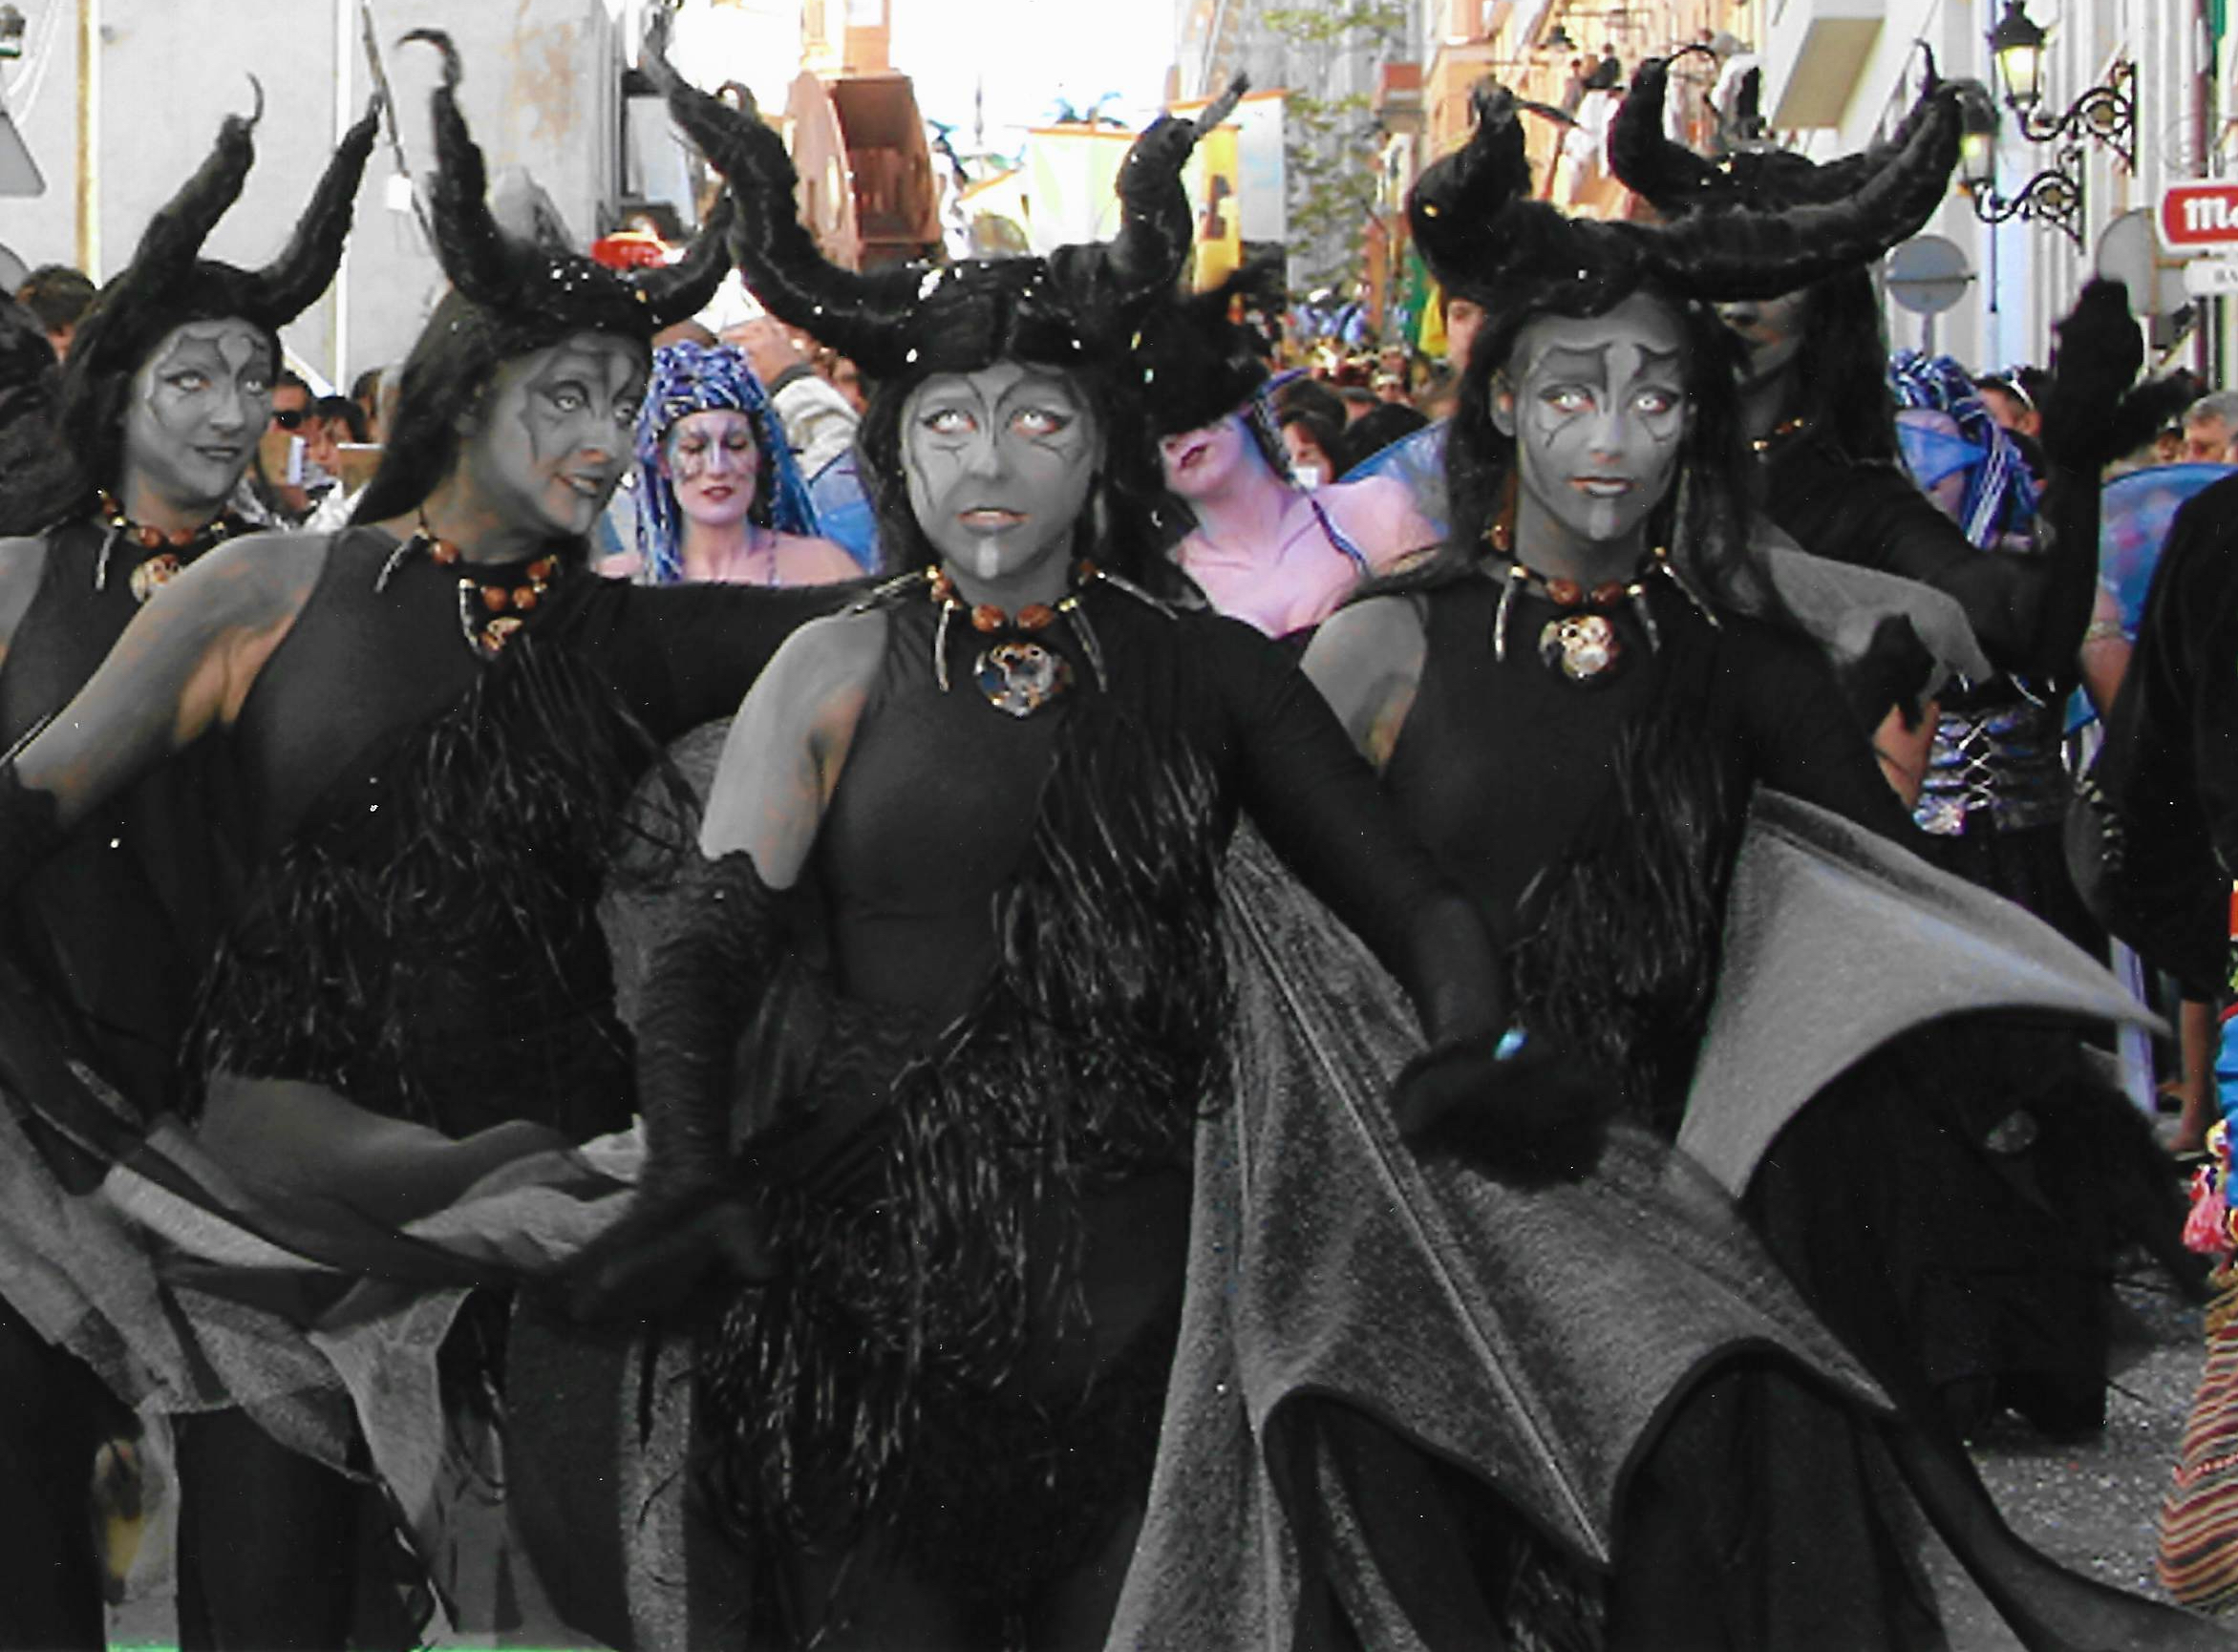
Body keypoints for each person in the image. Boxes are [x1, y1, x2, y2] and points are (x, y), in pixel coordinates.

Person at [1304, 83, 2225, 1652]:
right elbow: (1279, 920)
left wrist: (2033, 1097)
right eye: (1569, 388)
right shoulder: (1385, 643)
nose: (1610, 433)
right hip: (1441, 1219)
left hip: (1692, 1196)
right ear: (1503, 403)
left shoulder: (1735, 657)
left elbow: (1887, 878)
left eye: (1654, 395)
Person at [0, 32, 846, 1640]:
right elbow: (30, 810)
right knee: (265, 1611)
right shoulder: (268, 588)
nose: (607, 438)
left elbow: (889, 632)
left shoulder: (629, 635)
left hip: (555, 1227)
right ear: (465, 391)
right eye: (568, 394)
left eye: (627, 401)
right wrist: (72, 1112)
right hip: (279, 1214)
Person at [0, 92, 384, 1650]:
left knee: (276, 1543)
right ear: (116, 391)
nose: (232, 412)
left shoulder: (312, 588)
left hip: (252, 1120)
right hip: (33, 1122)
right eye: (192, 376)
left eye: (253, 378)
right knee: (24, 1548)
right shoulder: (18, 580)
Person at [1134, 276, 1438, 635]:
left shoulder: (1375, 509)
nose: (1176, 439)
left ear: (1242, 402)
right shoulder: (1165, 592)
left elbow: (1449, 642)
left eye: (1192, 410)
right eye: (1149, 433)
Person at [603, 339, 856, 586]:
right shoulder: (619, 584)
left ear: (759, 455)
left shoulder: (824, 567)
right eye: (694, 448)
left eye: (736, 446)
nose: (717, 468)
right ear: (662, 462)